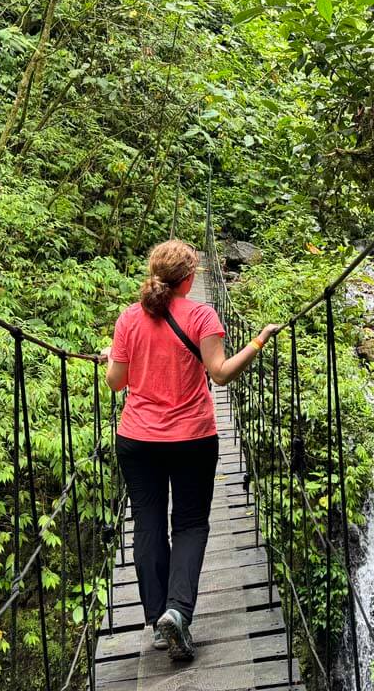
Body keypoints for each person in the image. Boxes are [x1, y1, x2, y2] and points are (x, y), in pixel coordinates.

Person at [101, 240, 280, 661]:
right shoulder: (202, 314)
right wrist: (257, 343)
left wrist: (113, 357)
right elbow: (219, 374)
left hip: (137, 440)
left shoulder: (129, 318)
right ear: (190, 279)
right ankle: (178, 612)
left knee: (146, 524)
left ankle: (157, 620)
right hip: (192, 439)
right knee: (190, 524)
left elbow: (115, 382)